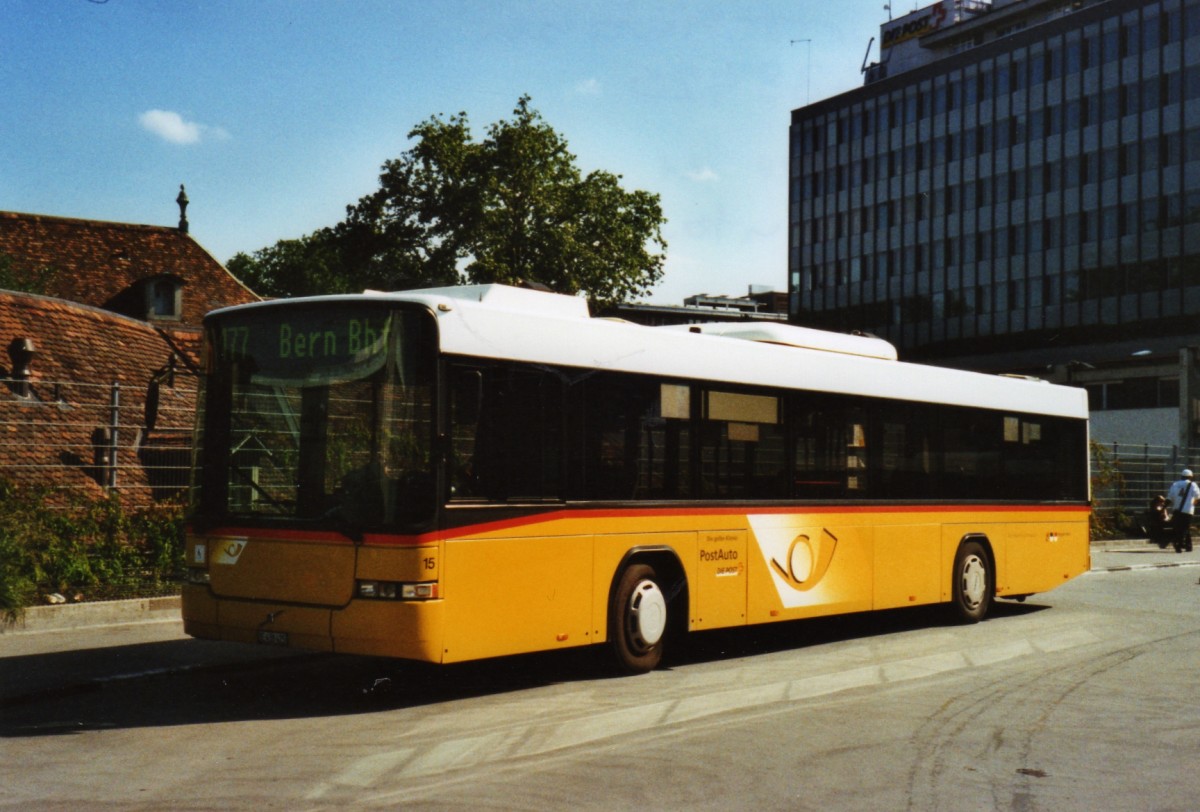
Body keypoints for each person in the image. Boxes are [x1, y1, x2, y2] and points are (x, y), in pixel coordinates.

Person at [1167, 468, 1199, 553]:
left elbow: (1169, 498)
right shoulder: (1193, 485)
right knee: (1185, 527)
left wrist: (1164, 507)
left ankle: (1185, 545)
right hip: (1188, 510)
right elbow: (1198, 497)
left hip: (1177, 510)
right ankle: (1183, 544)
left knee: (1178, 527)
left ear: (1182, 476)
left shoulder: (1175, 484)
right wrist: (1192, 504)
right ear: (1190, 477)